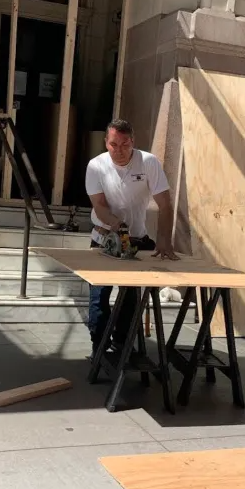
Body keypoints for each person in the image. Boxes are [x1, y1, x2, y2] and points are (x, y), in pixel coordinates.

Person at [85, 119, 177, 357]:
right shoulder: (96, 166)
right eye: (113, 144)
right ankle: (99, 346)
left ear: (132, 142)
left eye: (125, 145)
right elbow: (99, 205)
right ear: (106, 142)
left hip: (137, 239)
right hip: (104, 238)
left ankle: (123, 344)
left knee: (130, 299)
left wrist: (165, 240)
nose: (119, 150)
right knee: (99, 297)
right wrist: (116, 224)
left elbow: (165, 205)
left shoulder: (148, 162)